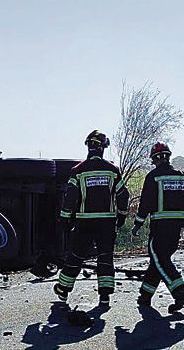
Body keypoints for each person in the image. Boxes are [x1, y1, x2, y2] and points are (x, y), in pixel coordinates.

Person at [55, 130, 130, 306]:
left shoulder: (78, 171)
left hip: (84, 222)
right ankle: (104, 295)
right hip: (107, 222)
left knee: (76, 256)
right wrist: (122, 215)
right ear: (103, 148)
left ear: (88, 147)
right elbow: (123, 195)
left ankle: (63, 291)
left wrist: (65, 219)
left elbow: (70, 197)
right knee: (105, 257)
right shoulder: (112, 170)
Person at [132, 143, 184, 313]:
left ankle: (181, 292)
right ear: (168, 156)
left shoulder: (153, 176)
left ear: (154, 159)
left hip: (160, 227)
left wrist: (138, 223)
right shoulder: (182, 176)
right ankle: (145, 295)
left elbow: (145, 203)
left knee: (161, 261)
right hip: (176, 228)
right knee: (158, 262)